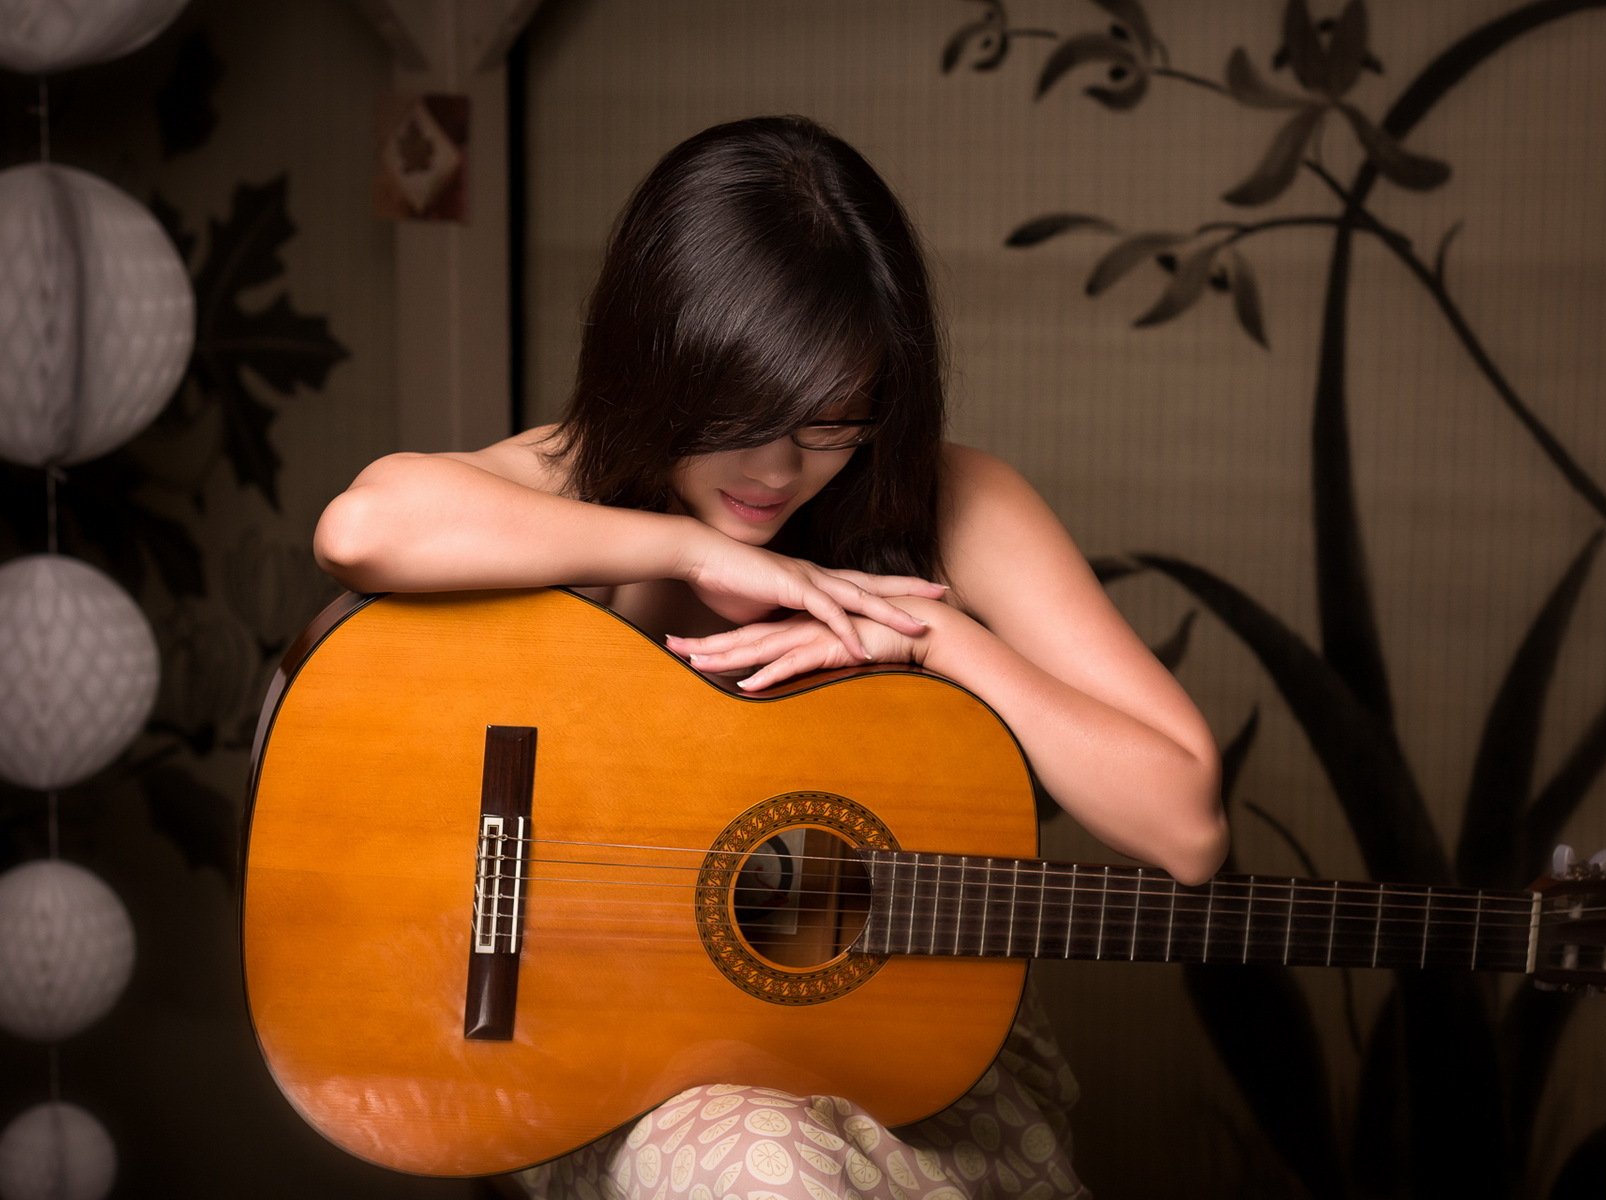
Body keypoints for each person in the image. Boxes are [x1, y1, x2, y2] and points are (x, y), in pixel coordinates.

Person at [313, 115, 1225, 1200]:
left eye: (833, 419)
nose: (781, 469)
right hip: (626, 1064)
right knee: (756, 1164)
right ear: (661, 360)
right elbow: (362, 531)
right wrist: (693, 550)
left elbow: (1188, 826)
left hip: (912, 1074)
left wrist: (937, 638)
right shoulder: (582, 480)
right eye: (741, 414)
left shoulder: (956, 503)